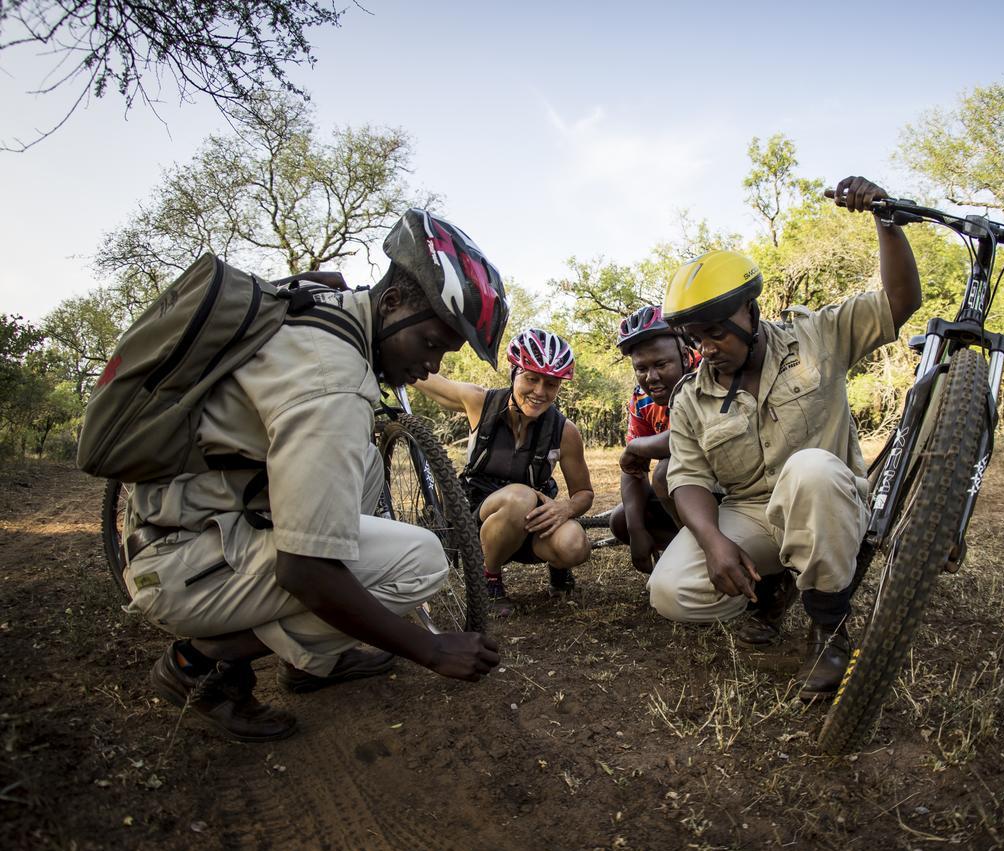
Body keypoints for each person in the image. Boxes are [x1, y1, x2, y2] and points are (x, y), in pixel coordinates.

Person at [123, 208, 508, 741]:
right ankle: (200, 664)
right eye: (430, 344)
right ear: (391, 302)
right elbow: (305, 571)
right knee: (419, 561)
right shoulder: (335, 385)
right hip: (181, 562)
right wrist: (430, 648)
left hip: (195, 514)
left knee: (367, 466)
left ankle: (311, 661)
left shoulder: (325, 306)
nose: (432, 367)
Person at [647, 175, 922, 699]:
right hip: (753, 513)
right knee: (669, 591)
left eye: (718, 331)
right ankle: (772, 585)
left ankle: (830, 632)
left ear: (751, 310)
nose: (707, 346)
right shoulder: (690, 398)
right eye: (696, 336)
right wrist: (713, 544)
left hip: (828, 499)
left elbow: (900, 301)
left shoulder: (818, 335)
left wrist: (887, 222)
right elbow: (686, 478)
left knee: (811, 470)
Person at [413, 328, 594, 610]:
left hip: (531, 525)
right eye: (531, 379)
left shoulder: (565, 431)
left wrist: (565, 509)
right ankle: (490, 578)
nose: (539, 392)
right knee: (519, 497)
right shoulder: (480, 402)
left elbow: (583, 492)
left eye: (551, 385)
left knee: (575, 546)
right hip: (479, 519)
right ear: (514, 374)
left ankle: (558, 567)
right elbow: (419, 375)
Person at [606, 305, 701, 573]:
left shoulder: (708, 375)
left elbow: (688, 437)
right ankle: (684, 555)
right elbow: (633, 467)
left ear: (685, 355)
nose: (652, 378)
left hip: (727, 493)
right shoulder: (641, 399)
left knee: (665, 472)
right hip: (680, 498)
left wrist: (637, 446)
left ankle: (702, 554)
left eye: (661, 364)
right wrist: (637, 531)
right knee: (623, 520)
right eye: (641, 368)